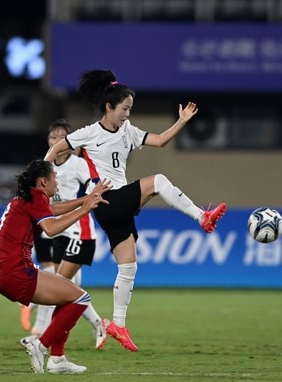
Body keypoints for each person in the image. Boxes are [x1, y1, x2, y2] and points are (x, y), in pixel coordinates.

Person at [44, 70, 226, 352]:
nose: (128, 114)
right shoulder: (89, 133)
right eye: (124, 109)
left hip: (114, 206)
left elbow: (161, 140)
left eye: (130, 109)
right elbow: (58, 146)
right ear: (109, 107)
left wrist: (181, 121)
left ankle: (117, 324)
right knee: (158, 182)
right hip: (107, 198)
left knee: (128, 266)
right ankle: (202, 217)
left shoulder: (128, 131)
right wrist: (42, 175)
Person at [0, 159, 110, 374]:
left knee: (69, 296)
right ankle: (42, 345)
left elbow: (53, 209)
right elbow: (51, 228)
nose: (58, 182)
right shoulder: (36, 196)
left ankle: (57, 360)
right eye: (55, 177)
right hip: (16, 271)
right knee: (81, 298)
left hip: (3, 273)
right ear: (43, 181)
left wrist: (87, 198)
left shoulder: (28, 197)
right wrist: (85, 208)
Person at [20, 119, 108, 350]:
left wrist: (90, 196)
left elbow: (94, 184)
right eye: (52, 137)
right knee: (61, 287)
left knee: (58, 287)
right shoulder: (45, 166)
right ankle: (96, 324)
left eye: (62, 137)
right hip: (51, 230)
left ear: (70, 143)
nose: (57, 141)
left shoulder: (78, 164)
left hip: (77, 231)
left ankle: (43, 336)